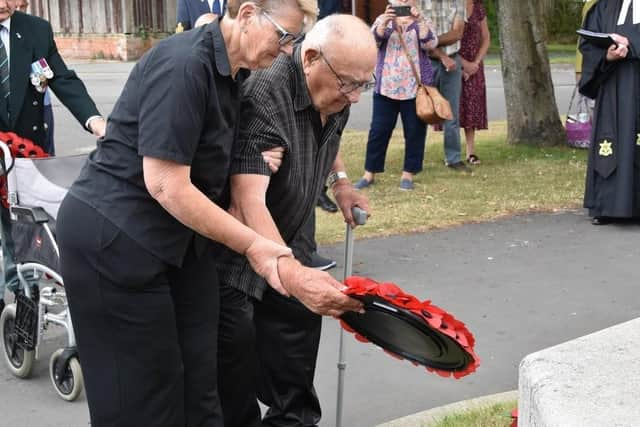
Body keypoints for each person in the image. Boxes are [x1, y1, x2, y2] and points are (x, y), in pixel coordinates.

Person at [55, 0, 349, 424]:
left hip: (180, 243)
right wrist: (259, 249)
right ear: (247, 14)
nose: (287, 50)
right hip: (115, 238)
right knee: (143, 398)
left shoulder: (236, 73)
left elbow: (210, 153)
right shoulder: (183, 64)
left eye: (295, 40)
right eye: (283, 36)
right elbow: (165, 183)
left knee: (201, 386)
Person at [217, 14, 375, 427]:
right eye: (349, 83)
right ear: (310, 58)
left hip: (294, 238)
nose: (356, 96)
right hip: (240, 259)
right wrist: (287, 271)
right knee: (234, 395)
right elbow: (247, 200)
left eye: (364, 84)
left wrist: (340, 183)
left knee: (296, 388)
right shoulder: (266, 93)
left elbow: (330, 132)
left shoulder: (335, 89)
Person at [0, 0, 105, 315]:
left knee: (22, 233)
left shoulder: (34, 30)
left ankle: (23, 305)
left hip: (23, 154)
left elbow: (62, 79)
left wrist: (95, 120)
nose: (6, 4)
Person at [354, 0, 437, 191]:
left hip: (414, 88)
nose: (403, 2)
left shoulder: (421, 21)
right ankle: (369, 174)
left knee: (415, 132)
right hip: (386, 86)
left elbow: (431, 44)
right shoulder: (383, 20)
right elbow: (371, 43)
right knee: (378, 131)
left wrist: (420, 20)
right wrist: (383, 23)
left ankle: (408, 174)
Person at [579, 0, 639, 226]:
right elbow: (588, 44)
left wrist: (630, 45)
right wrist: (608, 55)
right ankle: (607, 205)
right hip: (613, 86)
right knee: (611, 141)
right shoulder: (603, 7)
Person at [425, 0, 470, 172]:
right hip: (425, 62)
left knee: (451, 114)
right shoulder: (419, 2)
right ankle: (413, 161)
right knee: (420, 111)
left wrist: (430, 42)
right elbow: (418, 37)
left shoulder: (459, 2)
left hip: (453, 60)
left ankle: (453, 159)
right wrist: (440, 54)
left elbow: (457, 33)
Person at [12, 0, 55, 155]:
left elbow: (55, 71)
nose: (18, 10)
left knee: (44, 153)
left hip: (41, 104)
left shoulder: (36, 30)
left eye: (21, 7)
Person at [458, 0, 489, 165]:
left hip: (475, 66)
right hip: (454, 61)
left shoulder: (479, 8)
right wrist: (463, 65)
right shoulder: (452, 6)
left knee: (471, 106)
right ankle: (452, 152)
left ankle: (470, 152)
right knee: (453, 108)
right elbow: (445, 38)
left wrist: (475, 64)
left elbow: (486, 39)